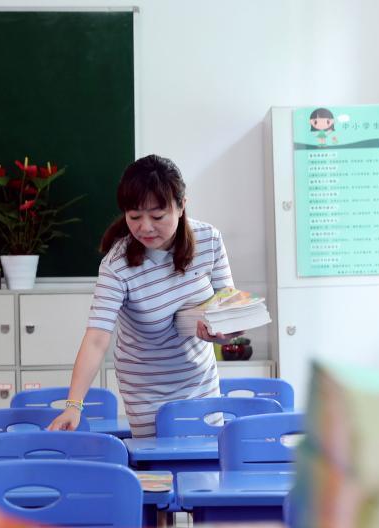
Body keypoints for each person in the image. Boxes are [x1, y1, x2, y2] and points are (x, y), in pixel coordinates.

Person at [48, 154, 239, 437]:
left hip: (200, 380)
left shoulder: (208, 240)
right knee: (159, 465)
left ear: (182, 205)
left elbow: (228, 306)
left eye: (157, 216)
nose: (145, 227)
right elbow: (97, 339)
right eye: (134, 216)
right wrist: (74, 405)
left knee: (205, 460)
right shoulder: (117, 265)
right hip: (145, 388)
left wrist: (226, 331)